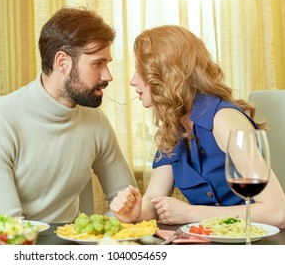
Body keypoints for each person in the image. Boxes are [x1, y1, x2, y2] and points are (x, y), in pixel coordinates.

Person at [0, 6, 137, 223]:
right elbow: (8, 229)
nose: (108, 76)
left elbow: (126, 199)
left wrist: (101, 233)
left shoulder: (96, 121)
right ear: (62, 62)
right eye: (97, 64)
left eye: (107, 63)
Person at [110, 25, 285, 228]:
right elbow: (152, 204)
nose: (133, 81)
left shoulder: (223, 120)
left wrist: (192, 213)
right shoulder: (174, 128)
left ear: (167, 74)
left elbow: (278, 211)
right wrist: (135, 213)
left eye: (141, 71)